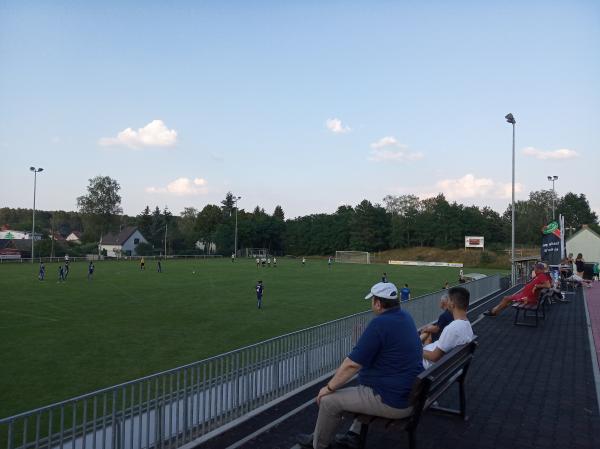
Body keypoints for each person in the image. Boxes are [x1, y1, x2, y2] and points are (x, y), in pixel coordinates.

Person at [296, 282, 423, 449]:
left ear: (378, 303)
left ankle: (318, 445)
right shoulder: (405, 317)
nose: (371, 304)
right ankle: (354, 434)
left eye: (372, 301)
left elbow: (351, 365)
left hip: (393, 400)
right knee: (363, 383)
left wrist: (328, 388)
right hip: (409, 394)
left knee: (329, 401)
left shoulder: (379, 324)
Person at [422, 287, 473, 369]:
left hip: (428, 367)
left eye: (448, 300)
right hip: (447, 365)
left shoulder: (452, 328)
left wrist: (416, 350)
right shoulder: (467, 325)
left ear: (452, 304)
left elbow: (434, 357)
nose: (447, 302)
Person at [483, 263, 551, 316]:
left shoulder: (542, 276)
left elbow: (548, 285)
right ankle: (495, 311)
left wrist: (537, 286)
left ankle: (494, 312)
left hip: (527, 299)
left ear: (539, 269)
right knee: (507, 299)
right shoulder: (539, 276)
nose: (534, 270)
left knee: (506, 298)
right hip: (525, 296)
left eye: (535, 269)